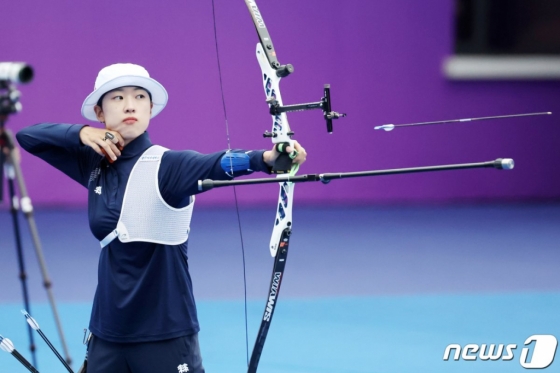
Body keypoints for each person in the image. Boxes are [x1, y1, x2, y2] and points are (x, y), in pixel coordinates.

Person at [16, 63, 306, 373]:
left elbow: (217, 164)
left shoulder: (169, 165)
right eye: (117, 98)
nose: (130, 105)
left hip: (164, 335)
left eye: (140, 96)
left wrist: (268, 159)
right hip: (107, 333)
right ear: (100, 113)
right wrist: (82, 133)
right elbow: (28, 137)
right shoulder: (94, 164)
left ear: (150, 108)